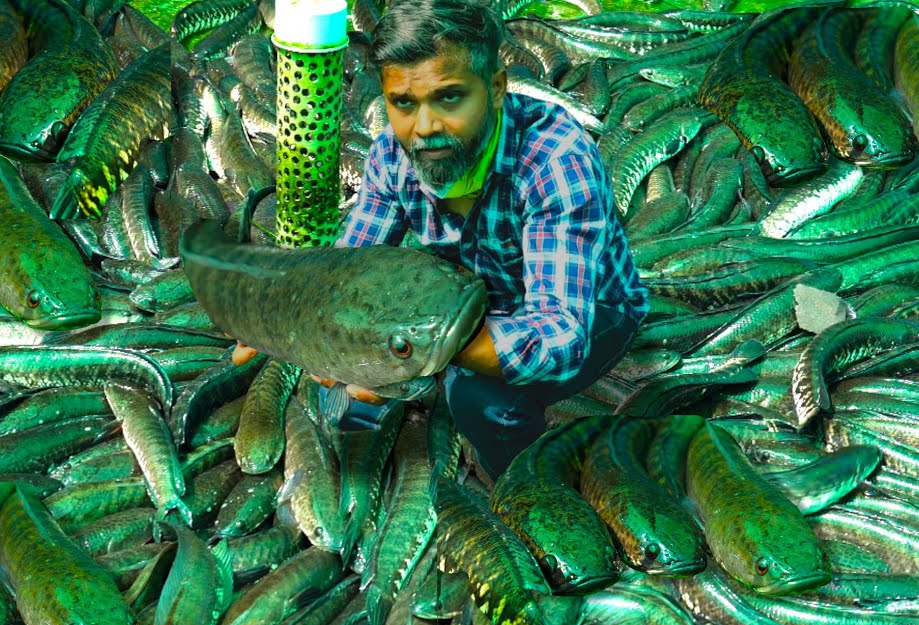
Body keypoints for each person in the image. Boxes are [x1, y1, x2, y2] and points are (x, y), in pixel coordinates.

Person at [233, 0, 649, 481]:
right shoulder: (393, 153)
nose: (424, 128)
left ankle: (529, 491)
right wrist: (293, 311)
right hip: (464, 294)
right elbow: (349, 270)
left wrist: (422, 350)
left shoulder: (555, 160)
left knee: (477, 397)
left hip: (592, 310)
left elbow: (559, 336)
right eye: (403, 103)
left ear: (495, 88)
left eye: (448, 98)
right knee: (356, 377)